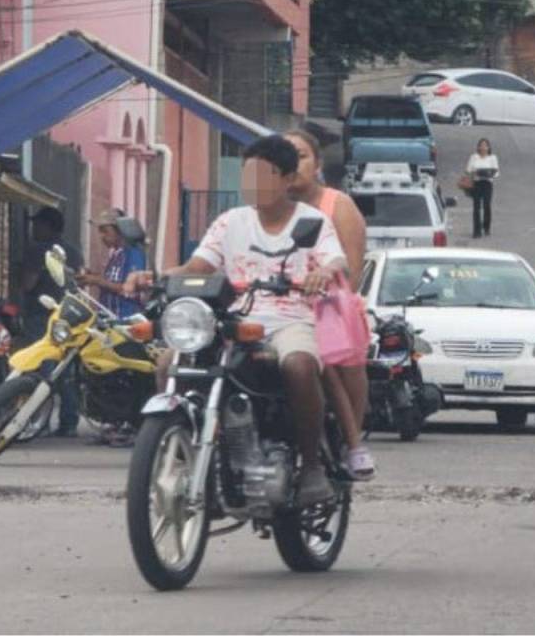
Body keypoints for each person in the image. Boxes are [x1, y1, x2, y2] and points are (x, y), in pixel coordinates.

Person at [126, 135, 346, 505]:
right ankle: (185, 449)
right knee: (169, 363)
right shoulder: (230, 222)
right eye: (249, 174)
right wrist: (156, 277)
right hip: (231, 320)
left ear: (289, 179)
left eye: (265, 174)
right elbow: (197, 267)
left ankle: (311, 466)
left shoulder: (313, 222)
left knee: (299, 364)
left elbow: (336, 260)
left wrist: (323, 272)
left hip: (290, 319)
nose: (254, 183)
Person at [285, 128, 375, 481]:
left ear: (318, 163)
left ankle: (349, 441)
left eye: (301, 156)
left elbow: (348, 273)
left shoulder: (338, 205)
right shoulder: (265, 207)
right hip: (275, 303)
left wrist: (324, 294)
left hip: (328, 305)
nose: (292, 164)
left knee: (334, 359)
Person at [21, 206, 83, 437]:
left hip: (41, 316)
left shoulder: (37, 251)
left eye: (38, 224)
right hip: (69, 316)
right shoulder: (74, 252)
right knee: (65, 370)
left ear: (48, 226)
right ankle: (69, 420)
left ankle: (40, 419)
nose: (34, 228)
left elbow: (28, 283)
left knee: (42, 369)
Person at [77, 208, 146, 318]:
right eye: (100, 231)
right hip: (108, 319)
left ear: (119, 231)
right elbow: (113, 281)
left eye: (105, 231)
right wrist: (91, 277)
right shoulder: (115, 254)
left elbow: (131, 288)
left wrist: (98, 281)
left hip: (126, 319)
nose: (101, 236)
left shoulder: (133, 253)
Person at [465, 138, 500, 238]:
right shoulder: (474, 157)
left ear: (489, 147)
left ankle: (486, 227)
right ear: (478, 147)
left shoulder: (492, 158)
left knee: (487, 205)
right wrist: (475, 172)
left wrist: (490, 173)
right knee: (476, 207)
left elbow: (496, 172)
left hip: (487, 183)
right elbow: (468, 169)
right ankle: (476, 231)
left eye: (485, 145)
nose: (483, 147)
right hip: (477, 183)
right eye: (481, 145)